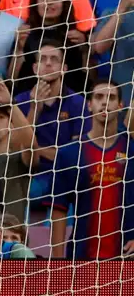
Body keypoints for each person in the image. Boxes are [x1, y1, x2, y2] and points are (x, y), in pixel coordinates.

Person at [49, 81, 134, 259]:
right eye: (98, 97)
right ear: (89, 105)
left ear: (121, 106)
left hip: (126, 255)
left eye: (111, 98)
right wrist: (57, 261)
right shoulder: (69, 153)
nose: (104, 103)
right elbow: (59, 210)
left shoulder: (131, 150)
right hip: (82, 256)